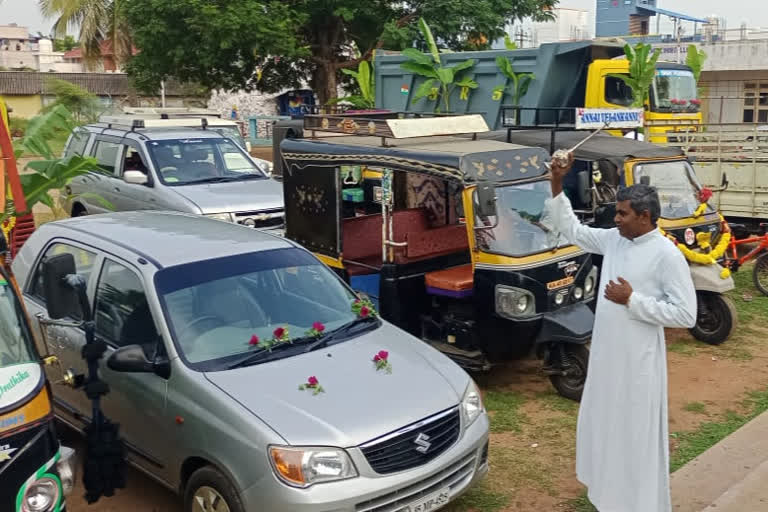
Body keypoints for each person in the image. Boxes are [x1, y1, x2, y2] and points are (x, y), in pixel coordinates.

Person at [546, 152, 697, 512]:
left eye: (622, 214)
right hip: (607, 356)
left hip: (639, 364)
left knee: (634, 434)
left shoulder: (666, 255)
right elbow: (574, 230)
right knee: (606, 425)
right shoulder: (615, 240)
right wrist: (556, 180)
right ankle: (608, 497)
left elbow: (686, 314)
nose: (615, 220)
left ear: (645, 217)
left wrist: (633, 300)